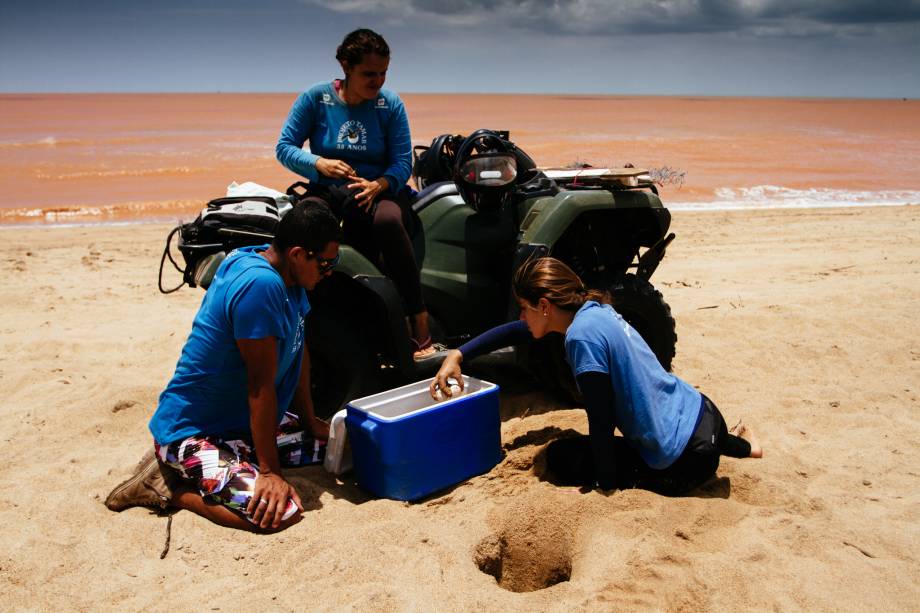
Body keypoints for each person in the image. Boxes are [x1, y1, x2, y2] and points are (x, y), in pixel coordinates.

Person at [431, 257, 762, 495]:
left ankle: (724, 453)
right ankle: (747, 448)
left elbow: (601, 421)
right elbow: (520, 330)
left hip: (684, 463)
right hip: (704, 413)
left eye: (524, 307)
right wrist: (459, 354)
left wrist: (604, 483)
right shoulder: (595, 308)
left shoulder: (581, 340)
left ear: (545, 306)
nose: (521, 315)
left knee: (561, 456)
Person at [105, 203, 343, 532]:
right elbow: (260, 387)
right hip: (191, 432)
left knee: (341, 447)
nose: (329, 271)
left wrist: (309, 420)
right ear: (298, 254)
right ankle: (168, 488)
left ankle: (223, 465)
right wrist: (270, 474)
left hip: (240, 427)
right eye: (326, 262)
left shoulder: (292, 279)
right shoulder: (260, 285)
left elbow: (299, 350)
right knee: (280, 512)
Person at [276, 28, 436, 359]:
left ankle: (417, 317)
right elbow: (284, 148)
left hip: (379, 191)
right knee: (304, 227)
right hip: (329, 190)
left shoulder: (389, 104)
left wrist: (380, 184)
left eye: (383, 73)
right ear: (345, 67)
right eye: (368, 74)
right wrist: (318, 163)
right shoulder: (315, 99)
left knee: (389, 222)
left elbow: (404, 161)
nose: (377, 81)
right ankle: (297, 311)